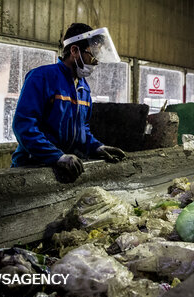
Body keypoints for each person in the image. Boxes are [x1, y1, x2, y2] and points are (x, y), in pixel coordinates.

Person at [11, 23, 126, 180]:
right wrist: (56, 156)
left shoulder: (83, 88)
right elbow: (23, 126)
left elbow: (82, 129)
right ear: (74, 51)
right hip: (31, 168)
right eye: (93, 55)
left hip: (64, 168)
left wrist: (97, 147)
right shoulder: (42, 77)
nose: (96, 62)